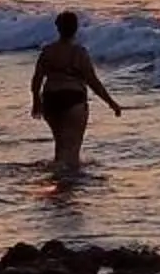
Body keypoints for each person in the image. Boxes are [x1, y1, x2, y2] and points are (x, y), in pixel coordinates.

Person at [29, 10, 121, 173]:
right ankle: (67, 184)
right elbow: (92, 81)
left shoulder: (48, 51)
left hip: (50, 100)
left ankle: (57, 179)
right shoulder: (79, 52)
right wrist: (111, 103)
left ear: (58, 28)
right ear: (76, 28)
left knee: (61, 145)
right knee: (72, 147)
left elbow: (37, 79)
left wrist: (36, 101)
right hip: (73, 99)